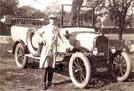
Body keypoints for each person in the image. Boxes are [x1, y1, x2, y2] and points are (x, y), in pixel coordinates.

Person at [35, 14, 60, 90]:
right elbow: (37, 33)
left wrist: (67, 45)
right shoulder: (45, 28)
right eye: (51, 19)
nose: (53, 20)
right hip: (46, 49)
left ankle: (49, 82)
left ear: (56, 20)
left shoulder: (57, 28)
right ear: (49, 20)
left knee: (52, 66)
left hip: (53, 49)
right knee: (45, 66)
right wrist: (42, 39)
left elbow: (61, 37)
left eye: (54, 19)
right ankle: (43, 83)